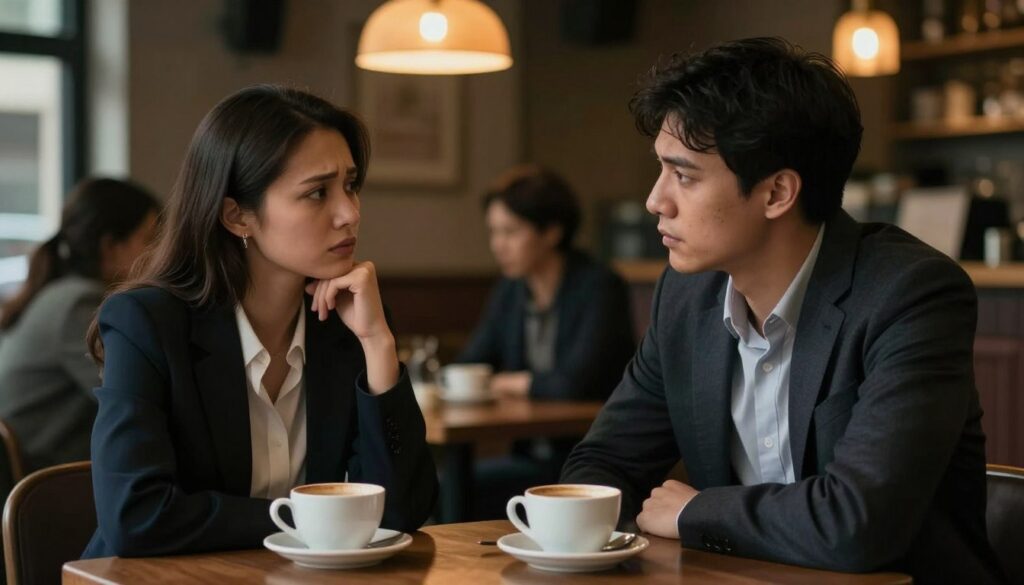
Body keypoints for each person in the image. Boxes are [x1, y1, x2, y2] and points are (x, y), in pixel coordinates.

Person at [560, 38, 1005, 584]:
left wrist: (694, 513)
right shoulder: (685, 300)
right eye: (661, 170)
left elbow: (859, 522)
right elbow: (600, 471)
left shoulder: (910, 294)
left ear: (776, 193)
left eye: (684, 176)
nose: (656, 200)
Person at [82, 85, 438, 558]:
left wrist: (378, 344)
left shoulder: (349, 323)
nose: (350, 213)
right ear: (237, 216)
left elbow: (401, 512)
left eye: (351, 185)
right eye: (317, 192)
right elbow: (137, 516)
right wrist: (314, 519)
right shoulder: (147, 322)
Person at [458, 165, 635, 518]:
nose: (498, 245)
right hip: (529, 453)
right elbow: (471, 363)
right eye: (494, 232)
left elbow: (574, 382)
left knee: (456, 488)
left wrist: (508, 381)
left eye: (510, 231)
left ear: (552, 232)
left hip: (590, 460)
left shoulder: (598, 286)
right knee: (446, 484)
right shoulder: (511, 290)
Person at [0, 178, 159, 474]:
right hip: (49, 482)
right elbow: (137, 394)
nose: (160, 254)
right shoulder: (80, 305)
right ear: (110, 246)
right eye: (150, 239)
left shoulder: (58, 294)